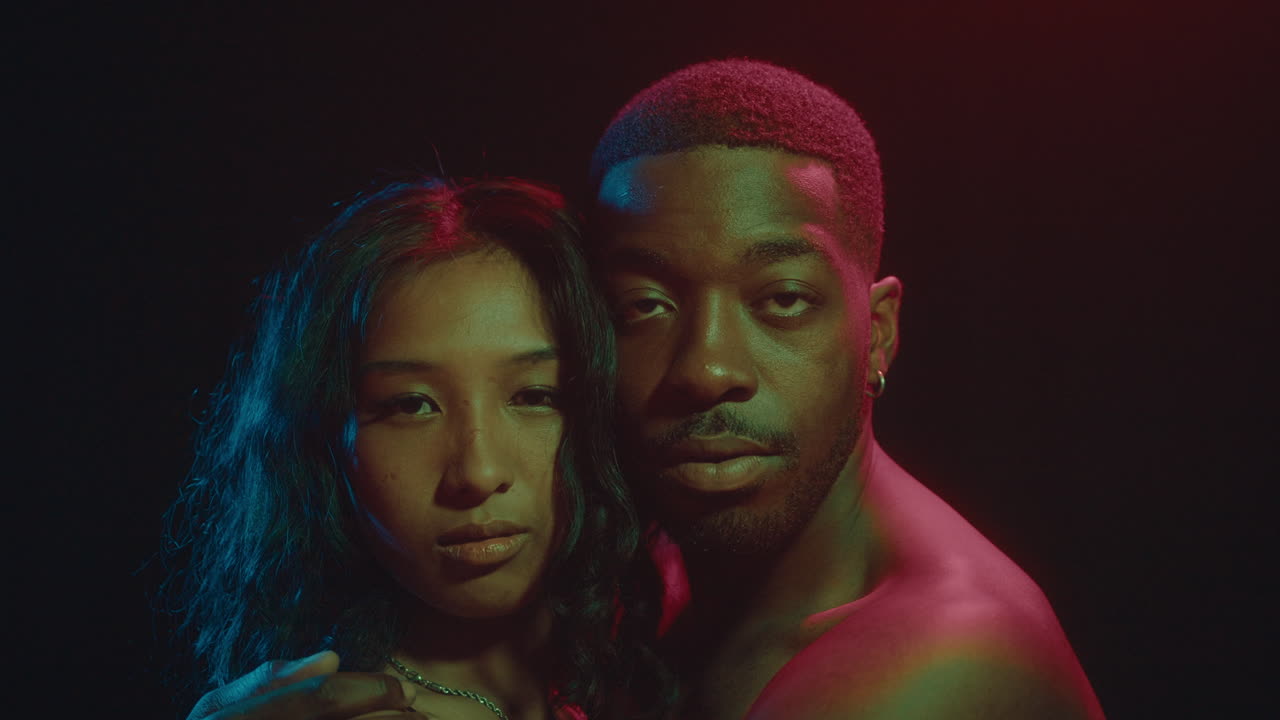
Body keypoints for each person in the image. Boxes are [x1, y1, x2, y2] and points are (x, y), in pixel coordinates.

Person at [588, 59, 1107, 719]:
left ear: (879, 335)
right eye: (644, 306)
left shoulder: (945, 656)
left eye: (781, 299)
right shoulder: (648, 578)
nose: (706, 368)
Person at [163, 178, 672, 720]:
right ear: (324, 444)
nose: (478, 473)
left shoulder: (669, 660)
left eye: (535, 395)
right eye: (410, 405)